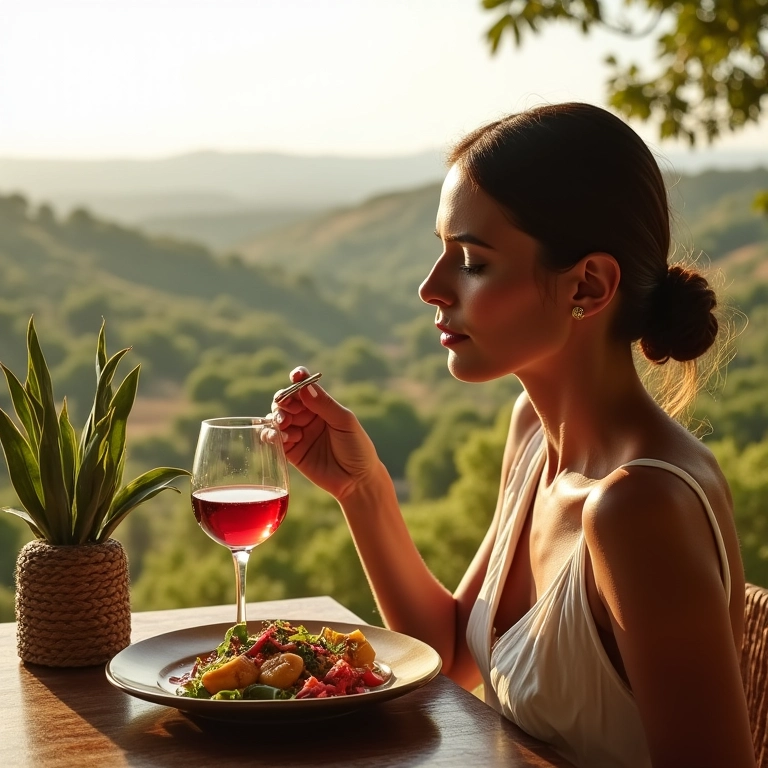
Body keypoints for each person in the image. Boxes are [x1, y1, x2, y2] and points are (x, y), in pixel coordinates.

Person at [270, 102, 756, 767]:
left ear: (587, 284)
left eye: (471, 261)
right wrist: (362, 489)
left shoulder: (639, 510)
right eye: (442, 253)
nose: (430, 288)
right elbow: (447, 654)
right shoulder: (534, 437)